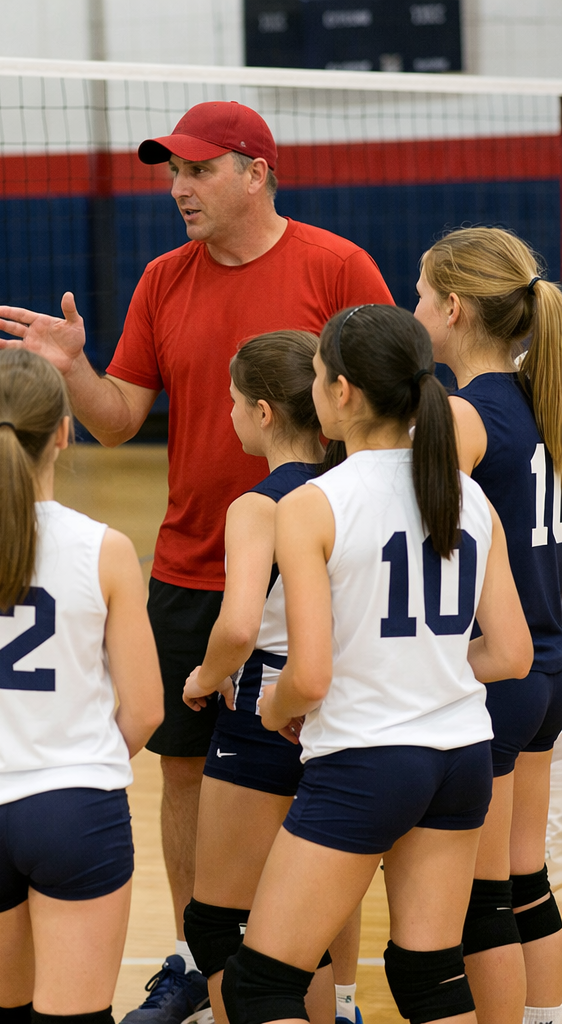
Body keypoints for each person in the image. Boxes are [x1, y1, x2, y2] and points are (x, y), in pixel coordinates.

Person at [0, 101, 394, 1021]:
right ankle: (199, 962)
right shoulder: (164, 278)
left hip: (317, 567)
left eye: (200, 169)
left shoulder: (337, 267)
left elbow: (381, 418)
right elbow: (122, 417)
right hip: (188, 568)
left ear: (257, 172)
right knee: (183, 777)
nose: (179, 187)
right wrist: (71, 369)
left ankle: (328, 989)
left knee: (317, 782)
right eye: (173, 171)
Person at [219, 303, 533, 1024]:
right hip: (462, 758)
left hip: (367, 761)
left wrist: (274, 708)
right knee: (428, 976)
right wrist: (423, 669)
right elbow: (511, 653)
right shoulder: (469, 496)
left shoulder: (314, 503)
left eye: (323, 375)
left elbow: (311, 677)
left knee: (259, 985)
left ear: (344, 393)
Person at [0, 347, 163, 1024]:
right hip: (75, 810)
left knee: (1, 1014)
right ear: (64, 432)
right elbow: (144, 711)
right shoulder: (102, 549)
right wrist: (78, 764)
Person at [414, 228, 562, 1024]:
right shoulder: (543, 399)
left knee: (483, 900)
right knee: (524, 876)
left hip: (495, 671)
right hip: (546, 663)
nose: (412, 309)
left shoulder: (466, 417)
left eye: (419, 295)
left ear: (454, 309)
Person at [179, 331, 332, 1024]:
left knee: (218, 924)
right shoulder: (351, 487)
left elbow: (239, 626)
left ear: (264, 412)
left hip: (264, 714)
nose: (229, 412)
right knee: (303, 934)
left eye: (234, 400)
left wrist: (203, 678)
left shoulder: (259, 505)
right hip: (340, 715)